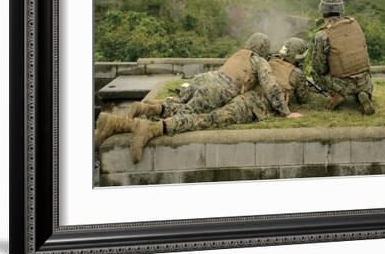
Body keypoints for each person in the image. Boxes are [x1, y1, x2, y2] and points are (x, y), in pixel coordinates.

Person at [96, 38, 311, 163]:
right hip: (248, 106)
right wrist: (286, 111)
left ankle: (117, 122)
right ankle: (150, 128)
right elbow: (301, 97)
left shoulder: (260, 59)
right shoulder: (289, 71)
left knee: (192, 110)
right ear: (299, 58)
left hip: (229, 93)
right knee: (202, 119)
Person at [310, 0, 375, 115]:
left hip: (342, 84)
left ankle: (337, 94)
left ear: (322, 9)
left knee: (315, 73)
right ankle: (363, 93)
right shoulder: (355, 25)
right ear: (341, 8)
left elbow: (320, 67)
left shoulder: (322, 34)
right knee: (359, 76)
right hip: (365, 81)